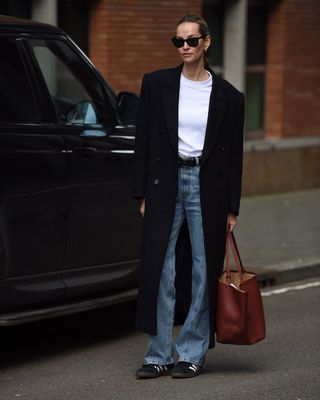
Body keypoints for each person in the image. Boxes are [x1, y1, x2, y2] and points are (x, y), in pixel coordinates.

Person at [133, 14, 245, 379]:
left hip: (207, 187)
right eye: (178, 41)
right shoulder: (157, 84)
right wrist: (141, 191)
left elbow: (233, 157)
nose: (184, 47)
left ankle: (192, 351)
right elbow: (144, 141)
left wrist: (232, 206)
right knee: (160, 269)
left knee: (203, 269)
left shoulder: (229, 96)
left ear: (206, 43)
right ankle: (158, 353)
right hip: (165, 183)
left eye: (191, 40)